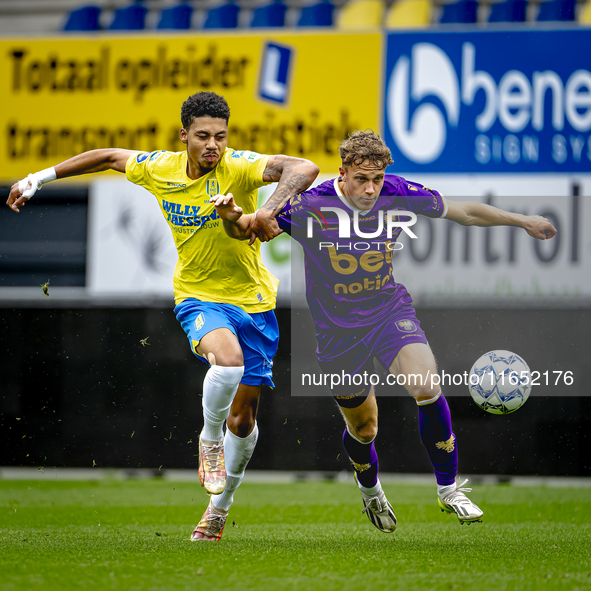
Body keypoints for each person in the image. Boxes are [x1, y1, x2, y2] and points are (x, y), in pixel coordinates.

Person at [6, 91, 319, 541]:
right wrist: (41, 177)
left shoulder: (241, 165)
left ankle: (218, 510)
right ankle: (208, 440)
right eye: (203, 136)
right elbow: (110, 156)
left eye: (221, 137)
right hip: (197, 296)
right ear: (184, 136)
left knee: (244, 422)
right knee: (227, 362)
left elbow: (303, 168)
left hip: (255, 302)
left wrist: (264, 211)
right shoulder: (161, 168)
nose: (213, 145)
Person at [210, 130, 557, 531]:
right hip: (337, 331)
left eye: (377, 179)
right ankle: (370, 489)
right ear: (342, 173)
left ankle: (449, 489)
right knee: (364, 428)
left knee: (427, 385)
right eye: (362, 179)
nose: (371, 189)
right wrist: (232, 217)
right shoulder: (309, 204)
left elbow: (464, 212)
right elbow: (250, 229)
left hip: (388, 311)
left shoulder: (397, 191)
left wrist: (522, 221)